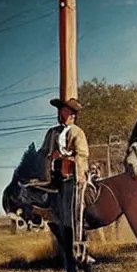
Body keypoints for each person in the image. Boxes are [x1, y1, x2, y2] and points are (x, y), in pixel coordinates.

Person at [36, 97, 90, 261]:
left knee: (73, 212)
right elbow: (43, 151)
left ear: (72, 114)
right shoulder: (52, 132)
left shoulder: (77, 133)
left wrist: (63, 157)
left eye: (64, 110)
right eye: (59, 110)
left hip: (71, 178)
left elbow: (82, 154)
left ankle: (78, 248)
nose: (60, 113)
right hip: (53, 177)